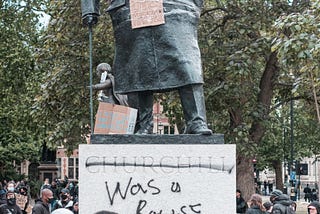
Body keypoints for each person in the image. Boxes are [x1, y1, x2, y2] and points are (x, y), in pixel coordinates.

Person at [81, 0, 213, 135]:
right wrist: (89, 9)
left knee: (187, 64)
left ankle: (196, 120)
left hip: (175, 6)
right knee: (138, 64)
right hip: (131, 8)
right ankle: (144, 124)